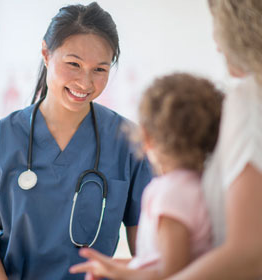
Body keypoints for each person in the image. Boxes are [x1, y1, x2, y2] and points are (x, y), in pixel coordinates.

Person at [71, 1, 262, 279]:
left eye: (100, 68)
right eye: (74, 63)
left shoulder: (248, 101)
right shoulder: (194, 186)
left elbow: (179, 266)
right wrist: (127, 269)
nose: (218, 46)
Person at [0, 2, 152, 279]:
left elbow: (146, 252)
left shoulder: (128, 143)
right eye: (73, 64)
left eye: (100, 69)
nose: (85, 83)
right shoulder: (0, 140)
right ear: (46, 54)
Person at [69, 73, 223, 279]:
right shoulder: (204, 185)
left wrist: (123, 275)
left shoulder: (171, 194)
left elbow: (172, 273)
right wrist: (116, 266)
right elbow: (163, 260)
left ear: (146, 137)